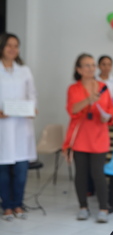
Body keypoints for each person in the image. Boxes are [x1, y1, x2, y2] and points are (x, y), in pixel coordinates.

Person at [62, 53, 113, 223]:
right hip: (80, 137)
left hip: (99, 136)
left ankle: (103, 208)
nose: (91, 68)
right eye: (87, 65)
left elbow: (110, 109)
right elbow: (72, 109)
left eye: (93, 65)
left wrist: (107, 116)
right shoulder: (73, 88)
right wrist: (88, 100)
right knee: (81, 174)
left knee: (98, 174)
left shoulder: (103, 87)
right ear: (78, 69)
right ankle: (83, 207)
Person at [0, 33, 37, 221]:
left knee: (21, 170)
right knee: (3, 171)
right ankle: (6, 206)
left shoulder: (24, 70)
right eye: (9, 45)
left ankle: (18, 204)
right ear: (2, 46)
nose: (13, 49)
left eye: (16, 45)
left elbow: (32, 94)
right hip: (3, 128)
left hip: (22, 127)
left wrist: (32, 108)